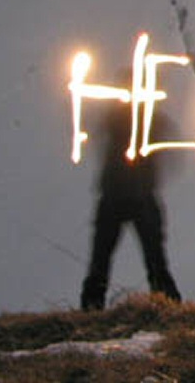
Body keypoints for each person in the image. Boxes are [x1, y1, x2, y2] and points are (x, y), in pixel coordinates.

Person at [80, 96, 181, 310]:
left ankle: (92, 307)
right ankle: (168, 305)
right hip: (134, 195)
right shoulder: (145, 118)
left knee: (105, 260)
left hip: (122, 195)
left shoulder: (117, 117)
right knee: (153, 260)